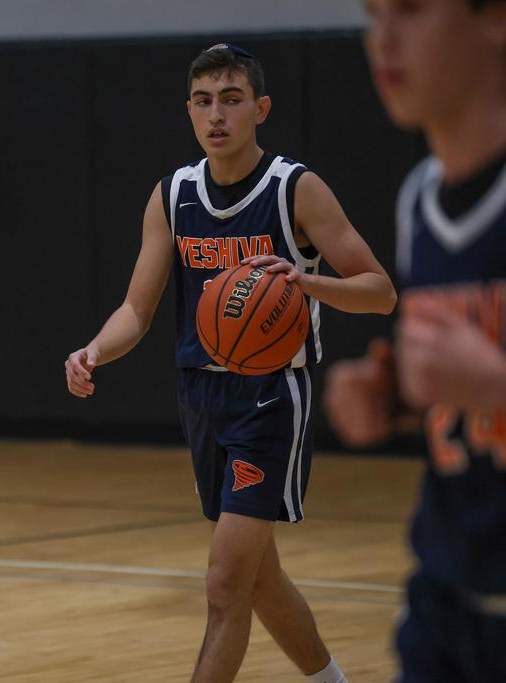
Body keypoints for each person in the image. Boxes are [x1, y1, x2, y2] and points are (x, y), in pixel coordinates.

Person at [64, 43, 396, 683]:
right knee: (258, 578)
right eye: (203, 101)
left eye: (231, 99)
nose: (216, 114)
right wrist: (95, 350)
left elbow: (380, 291)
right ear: (189, 111)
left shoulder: (294, 189)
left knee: (223, 583)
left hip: (270, 397)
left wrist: (306, 282)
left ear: (260, 109)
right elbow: (136, 309)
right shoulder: (173, 195)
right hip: (200, 397)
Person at [323, 0, 506, 679]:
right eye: (373, 14)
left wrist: (493, 385)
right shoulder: (418, 201)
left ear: (495, 18)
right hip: (446, 600)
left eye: (409, 9)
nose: (383, 39)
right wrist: (396, 397)